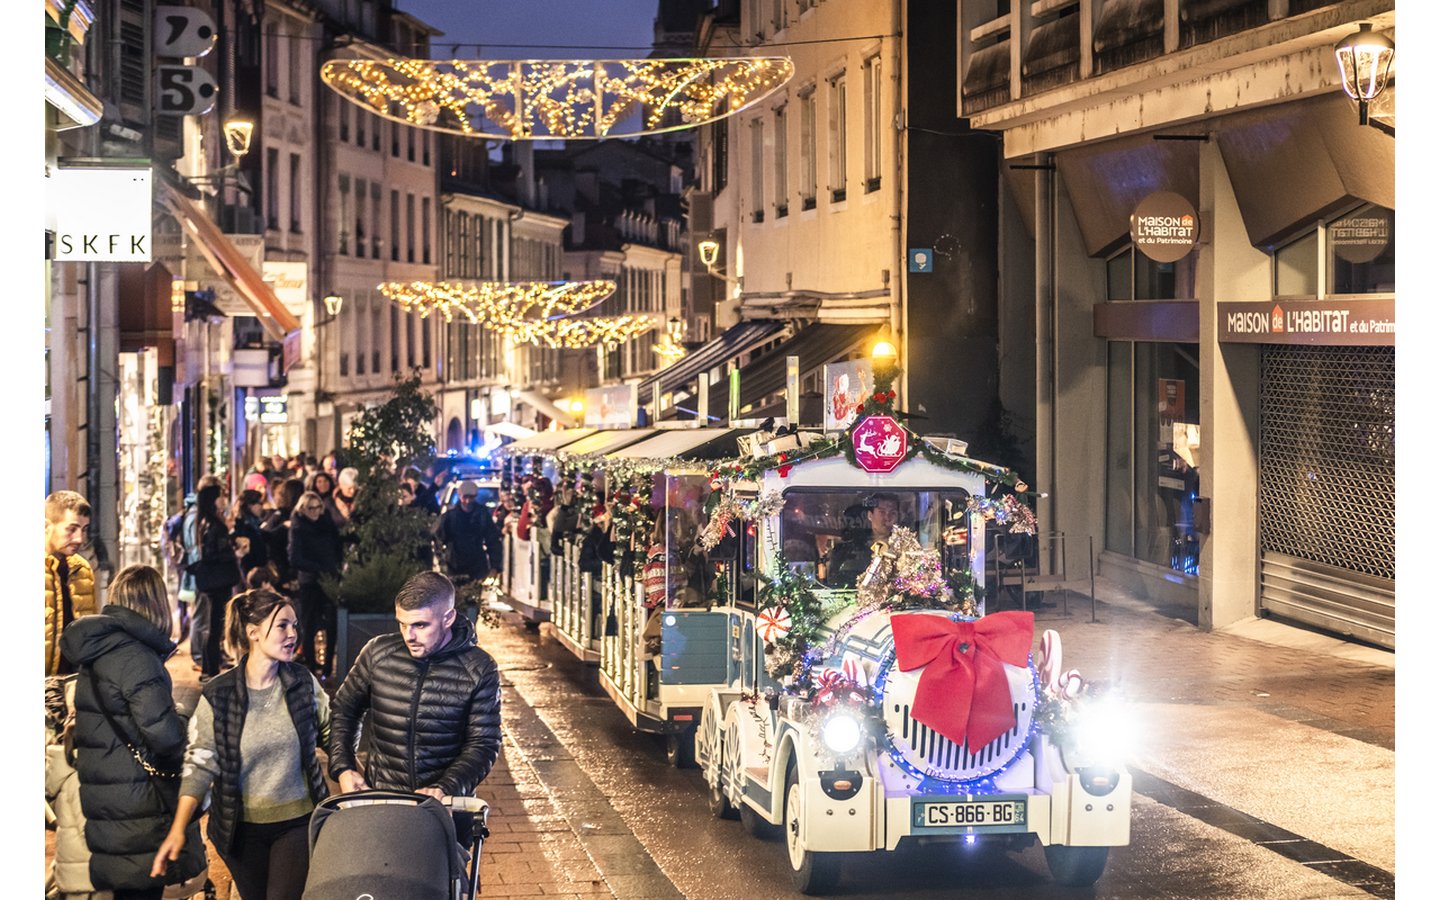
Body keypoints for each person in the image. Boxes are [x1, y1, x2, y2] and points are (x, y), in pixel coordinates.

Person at [152, 589, 330, 900]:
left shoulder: (303, 682)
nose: (293, 635)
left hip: (297, 823)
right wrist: (179, 828)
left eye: (295, 626)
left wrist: (347, 771)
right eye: (283, 626)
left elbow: (333, 731)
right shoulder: (219, 695)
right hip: (239, 831)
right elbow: (199, 762)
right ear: (253, 633)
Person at [60, 565, 207, 900]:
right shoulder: (137, 657)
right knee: (140, 891)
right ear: (154, 603)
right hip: (140, 803)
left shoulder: (97, 651)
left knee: (125, 890)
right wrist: (185, 717)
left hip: (110, 800)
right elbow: (165, 736)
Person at [328, 571, 501, 844]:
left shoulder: (479, 669)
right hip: (382, 805)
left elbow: (484, 743)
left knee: (441, 885)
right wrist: (344, 767)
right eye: (402, 624)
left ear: (448, 618)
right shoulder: (378, 653)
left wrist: (444, 788)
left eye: (420, 625)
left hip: (445, 812)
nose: (409, 636)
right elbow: (344, 710)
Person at [288, 490, 344, 679]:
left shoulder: (327, 524)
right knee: (308, 624)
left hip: (329, 580)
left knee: (332, 623)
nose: (315, 511)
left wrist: (335, 567)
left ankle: (328, 665)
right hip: (310, 582)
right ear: (303, 509)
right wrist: (319, 568)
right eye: (310, 508)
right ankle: (311, 665)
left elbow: (337, 546)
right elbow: (295, 558)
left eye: (318, 507)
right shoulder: (298, 527)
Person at [191, 482, 244, 678]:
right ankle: (210, 668)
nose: (223, 500)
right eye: (220, 496)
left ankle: (209, 666)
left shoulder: (206, 522)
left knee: (212, 624)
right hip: (219, 579)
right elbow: (214, 553)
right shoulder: (214, 525)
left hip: (214, 580)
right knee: (214, 625)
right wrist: (234, 552)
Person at [46, 490, 95, 676]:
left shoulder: (82, 570)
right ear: (46, 526)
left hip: (72, 688)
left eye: (84, 529)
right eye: (71, 529)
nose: (79, 539)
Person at [182, 474, 225, 672]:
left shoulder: (202, 517)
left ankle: (207, 656)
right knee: (202, 615)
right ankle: (200, 655)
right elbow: (197, 547)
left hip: (204, 573)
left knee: (207, 615)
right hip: (203, 574)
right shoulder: (197, 517)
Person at [826, 493, 901, 588]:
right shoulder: (851, 548)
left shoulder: (905, 548)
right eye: (882, 512)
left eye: (892, 513)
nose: (887, 517)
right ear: (870, 515)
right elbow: (835, 581)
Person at [436, 480, 504, 582]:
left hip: (477, 567)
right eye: (465, 497)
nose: (467, 501)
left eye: (471, 497)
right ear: (459, 495)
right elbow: (439, 538)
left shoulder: (482, 515)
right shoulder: (450, 517)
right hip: (455, 567)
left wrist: (495, 566)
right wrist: (442, 561)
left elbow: (492, 540)